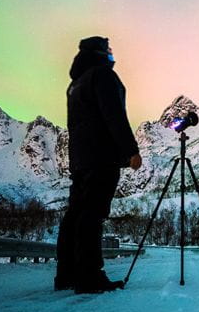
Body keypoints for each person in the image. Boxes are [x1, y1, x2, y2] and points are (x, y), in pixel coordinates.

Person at [55, 36, 142, 294]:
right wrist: (131, 151)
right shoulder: (102, 76)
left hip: (80, 159)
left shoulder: (75, 84)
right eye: (109, 50)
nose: (112, 54)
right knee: (92, 215)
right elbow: (113, 115)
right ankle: (89, 277)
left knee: (75, 215)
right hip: (101, 157)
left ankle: (66, 274)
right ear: (101, 53)